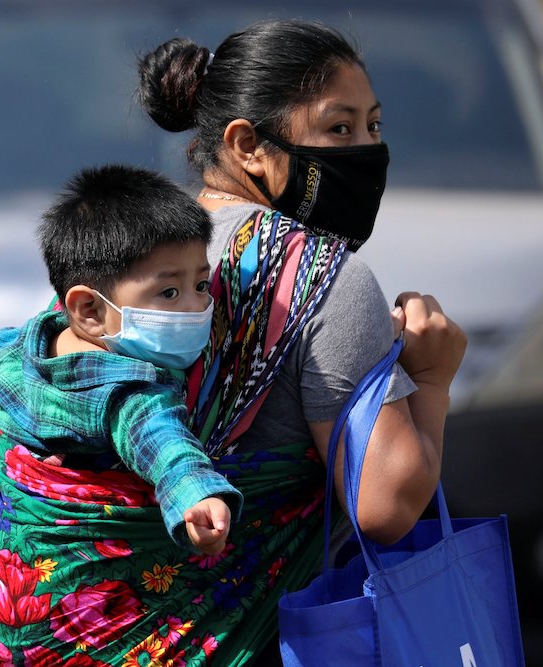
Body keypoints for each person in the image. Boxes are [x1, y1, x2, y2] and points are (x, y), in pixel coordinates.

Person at [137, 18, 466, 664]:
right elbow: (386, 502)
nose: (367, 151)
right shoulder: (327, 280)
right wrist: (432, 381)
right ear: (248, 146)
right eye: (338, 128)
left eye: (373, 126)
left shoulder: (135, 256)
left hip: (103, 630)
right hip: (237, 642)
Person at [0, 165, 246, 664]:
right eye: (168, 293)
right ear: (89, 310)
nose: (196, 307)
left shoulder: (11, 351)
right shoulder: (132, 387)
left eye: (201, 285)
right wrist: (196, 495)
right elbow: (162, 444)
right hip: (75, 638)